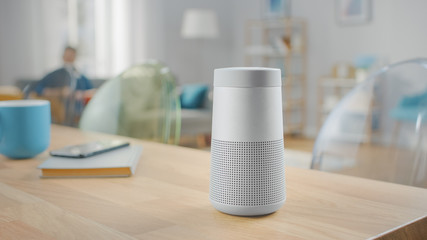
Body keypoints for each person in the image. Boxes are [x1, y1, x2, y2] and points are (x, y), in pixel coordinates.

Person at [34, 46, 94, 125]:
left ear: (75, 57)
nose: (69, 58)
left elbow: (92, 91)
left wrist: (81, 94)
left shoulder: (80, 77)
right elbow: (38, 89)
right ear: (63, 57)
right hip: (59, 112)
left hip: (78, 112)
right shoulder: (54, 75)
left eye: (71, 56)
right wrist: (59, 92)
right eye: (67, 56)